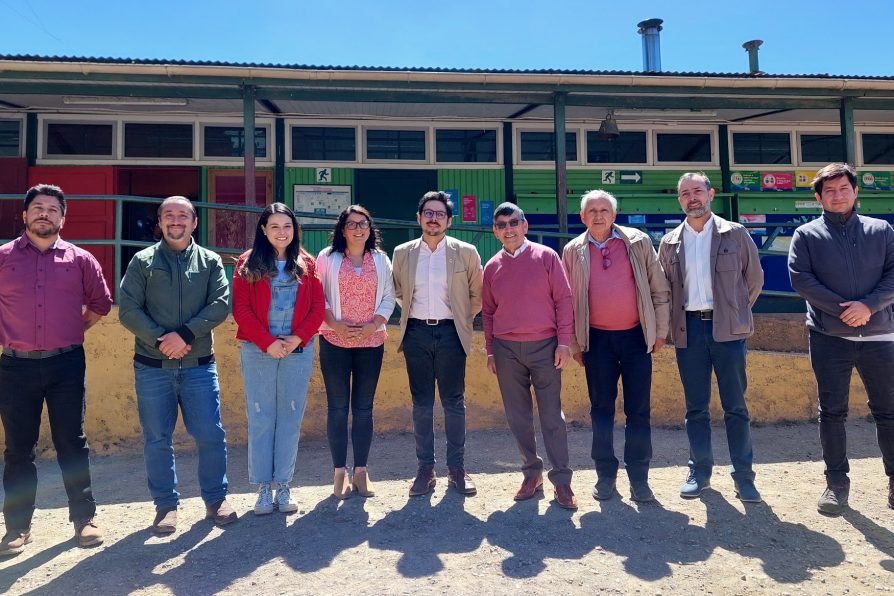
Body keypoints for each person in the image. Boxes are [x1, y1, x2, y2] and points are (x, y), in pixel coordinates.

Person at [0, 184, 112, 555]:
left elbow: (100, 303)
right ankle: (17, 527)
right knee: (18, 449)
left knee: (72, 443)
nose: (44, 213)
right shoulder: (3, 257)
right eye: (37, 207)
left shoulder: (81, 259)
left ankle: (84, 519)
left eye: (52, 209)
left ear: (63, 218)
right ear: (25, 215)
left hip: (66, 363)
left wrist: (71, 330)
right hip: (16, 367)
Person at [118, 196, 235, 534]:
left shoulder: (211, 261)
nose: (176, 220)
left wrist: (183, 335)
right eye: (169, 214)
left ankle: (216, 499)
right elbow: (128, 310)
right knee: (157, 438)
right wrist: (160, 340)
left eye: (183, 215)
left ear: (194, 223)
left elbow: (220, 305)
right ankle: (166, 506)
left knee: (211, 434)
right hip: (152, 366)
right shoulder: (141, 261)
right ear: (160, 221)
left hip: (199, 365)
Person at [788, 162, 894, 516]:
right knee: (831, 412)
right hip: (828, 336)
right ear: (818, 197)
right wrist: (844, 310)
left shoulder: (882, 231)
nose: (837, 196)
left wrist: (869, 306)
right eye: (829, 191)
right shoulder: (806, 235)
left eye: (843, 189)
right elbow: (801, 279)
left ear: (855, 192)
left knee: (889, 412)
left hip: (880, 335)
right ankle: (836, 484)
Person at [658, 173, 764, 503]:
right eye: (685, 193)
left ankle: (744, 476)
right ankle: (699, 471)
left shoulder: (735, 233)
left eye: (698, 191)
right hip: (689, 332)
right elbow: (665, 291)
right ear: (679, 200)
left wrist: (734, 313)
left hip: (727, 332)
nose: (692, 198)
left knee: (736, 406)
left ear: (711, 194)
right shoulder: (670, 242)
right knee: (695, 408)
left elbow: (754, 280)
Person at [562, 190, 670, 503]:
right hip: (597, 341)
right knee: (601, 411)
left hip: (637, 338)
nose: (598, 215)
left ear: (614, 214)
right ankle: (605, 475)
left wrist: (659, 331)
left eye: (604, 210)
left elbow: (659, 289)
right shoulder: (572, 251)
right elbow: (566, 301)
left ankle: (639, 477)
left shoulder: (637, 242)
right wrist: (574, 343)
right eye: (592, 211)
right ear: (582, 217)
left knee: (638, 410)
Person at [482, 202, 577, 510]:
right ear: (496, 232)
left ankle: (562, 482)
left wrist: (564, 343)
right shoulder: (492, 266)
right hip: (507, 350)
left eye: (514, 223)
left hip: (546, 347)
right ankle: (531, 474)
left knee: (552, 417)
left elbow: (564, 299)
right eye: (502, 225)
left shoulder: (547, 257)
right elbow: (488, 311)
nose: (508, 229)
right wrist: (491, 350)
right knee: (518, 417)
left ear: (524, 225)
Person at [232, 203, 324, 515]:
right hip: (259, 351)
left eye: (287, 226)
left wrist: (298, 338)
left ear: (295, 230)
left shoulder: (307, 264)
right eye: (274, 226)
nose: (281, 232)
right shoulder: (248, 263)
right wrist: (267, 342)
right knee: (261, 416)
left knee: (290, 416)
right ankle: (261, 487)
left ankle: (284, 484)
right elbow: (241, 309)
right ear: (263, 230)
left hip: (297, 350)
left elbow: (317, 309)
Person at [392, 191, 483, 497]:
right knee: (421, 404)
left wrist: (458, 320)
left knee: (454, 403)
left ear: (449, 220)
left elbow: (477, 296)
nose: (433, 218)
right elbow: (400, 293)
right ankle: (425, 469)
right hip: (416, 333)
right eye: (428, 213)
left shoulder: (466, 252)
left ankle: (457, 469)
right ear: (419, 218)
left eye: (439, 214)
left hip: (451, 334)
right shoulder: (402, 252)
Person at [317, 205, 395, 499]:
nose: (359, 229)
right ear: (342, 229)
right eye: (352, 224)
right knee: (337, 408)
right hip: (334, 342)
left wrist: (374, 324)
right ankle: (339, 472)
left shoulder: (381, 260)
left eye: (364, 223)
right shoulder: (328, 258)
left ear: (370, 228)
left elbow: (389, 297)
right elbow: (318, 295)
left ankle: (361, 471)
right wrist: (334, 323)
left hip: (371, 343)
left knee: (363, 408)